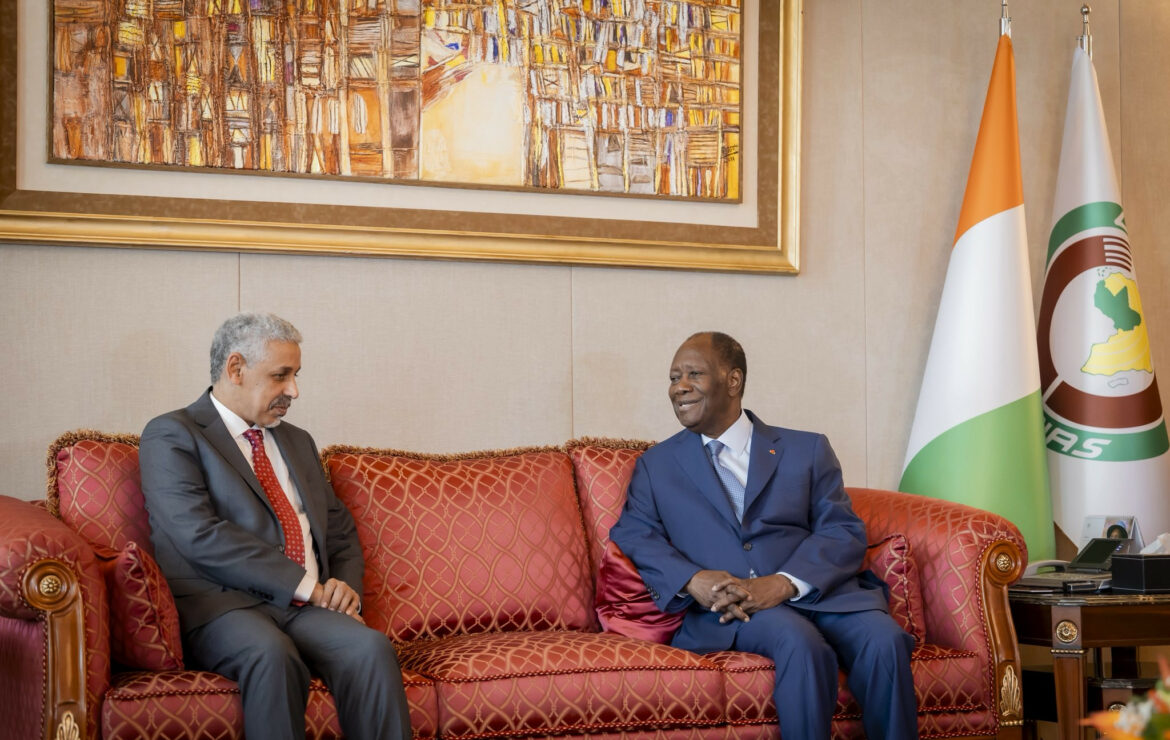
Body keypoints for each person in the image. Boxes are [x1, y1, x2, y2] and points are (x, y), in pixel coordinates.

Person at [609, 331, 917, 740]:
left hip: (819, 593)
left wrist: (784, 584)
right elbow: (634, 533)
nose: (678, 387)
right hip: (732, 607)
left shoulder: (806, 449)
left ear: (733, 380)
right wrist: (692, 580)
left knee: (885, 640)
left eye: (693, 374)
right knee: (800, 643)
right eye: (673, 377)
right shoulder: (657, 465)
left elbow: (842, 530)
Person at [139, 313, 411, 740]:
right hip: (225, 608)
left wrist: (342, 585)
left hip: (305, 608)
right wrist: (305, 585)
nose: (294, 391)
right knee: (272, 654)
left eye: (296, 375)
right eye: (281, 376)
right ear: (235, 369)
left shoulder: (296, 440)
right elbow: (198, 534)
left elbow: (338, 529)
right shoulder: (173, 434)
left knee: (370, 648)